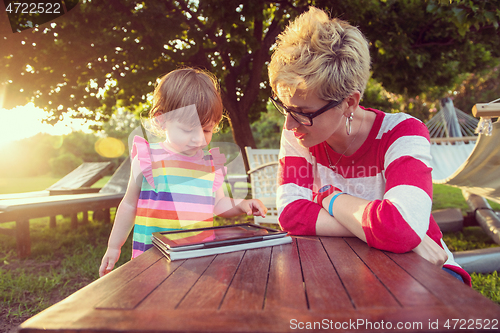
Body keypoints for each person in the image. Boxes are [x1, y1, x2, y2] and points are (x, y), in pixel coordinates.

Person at [268, 7, 470, 285]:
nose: (290, 124)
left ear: (349, 102)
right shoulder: (299, 133)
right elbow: (291, 215)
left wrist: (327, 197)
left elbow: (401, 227)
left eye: (303, 112)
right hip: (349, 268)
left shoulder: (402, 132)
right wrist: (389, 230)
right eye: (285, 107)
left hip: (428, 269)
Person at [99, 68, 267, 277]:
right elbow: (129, 204)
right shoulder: (147, 158)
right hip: (151, 259)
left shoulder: (210, 165)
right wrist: (114, 246)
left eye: (207, 130)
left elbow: (217, 204)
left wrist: (241, 205)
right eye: (189, 130)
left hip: (198, 258)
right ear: (161, 120)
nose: (198, 139)